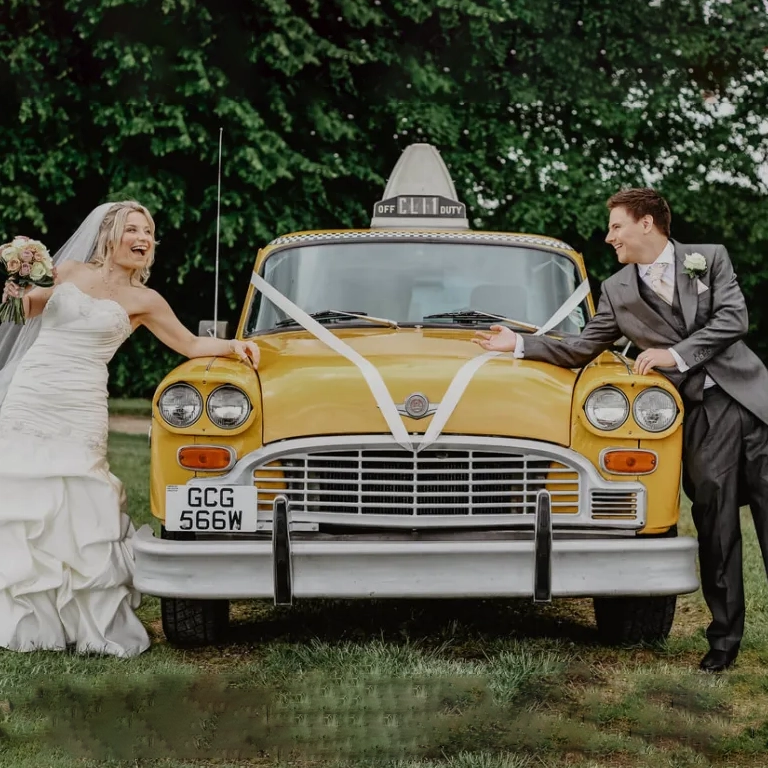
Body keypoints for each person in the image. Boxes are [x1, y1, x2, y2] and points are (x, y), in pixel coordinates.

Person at [475, 187, 768, 673]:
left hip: (754, 404)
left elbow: (733, 318)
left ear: (647, 223)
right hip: (698, 417)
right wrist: (519, 344)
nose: (609, 236)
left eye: (616, 226)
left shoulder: (708, 259)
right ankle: (724, 643)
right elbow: (580, 347)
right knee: (716, 530)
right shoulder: (616, 291)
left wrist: (673, 356)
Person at [0, 201, 259, 657]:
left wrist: (235, 345)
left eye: (149, 232)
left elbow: (191, 343)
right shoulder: (68, 271)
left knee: (83, 495)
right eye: (133, 230)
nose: (142, 239)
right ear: (110, 234)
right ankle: (27, 616)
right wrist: (16, 283)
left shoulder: (146, 301)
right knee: (24, 496)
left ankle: (85, 620)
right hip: (34, 391)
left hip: (82, 400)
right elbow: (23, 314)